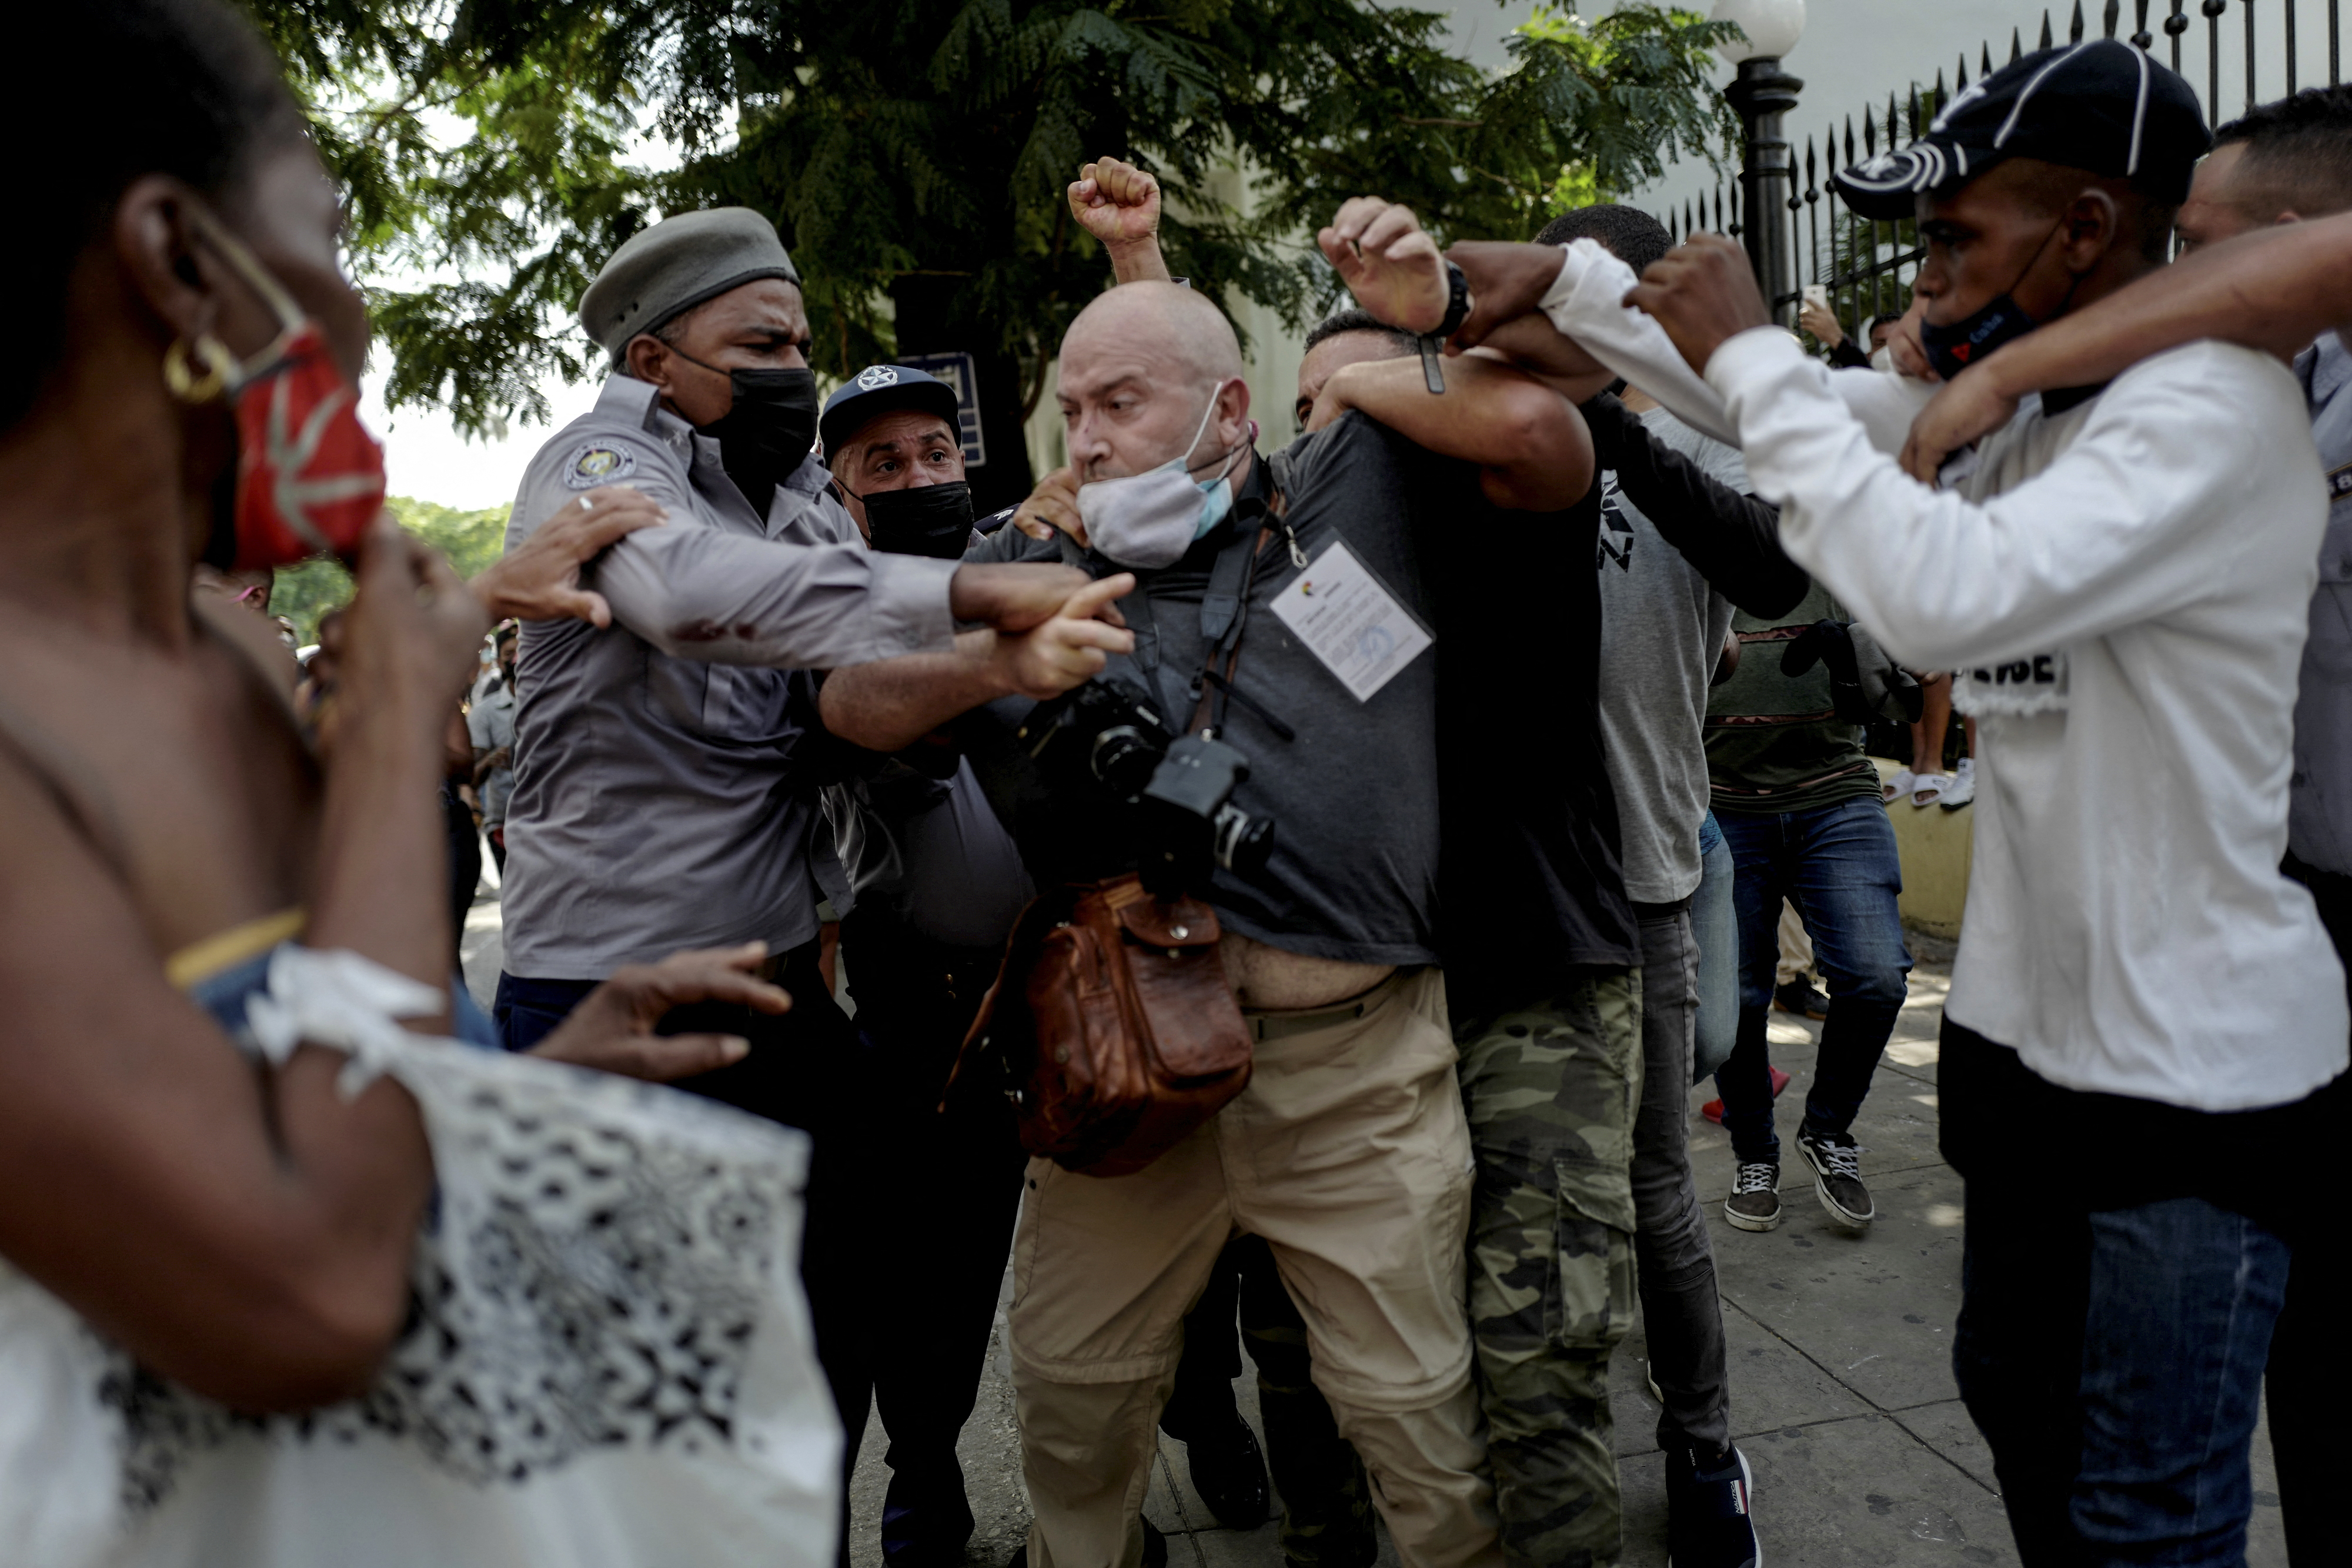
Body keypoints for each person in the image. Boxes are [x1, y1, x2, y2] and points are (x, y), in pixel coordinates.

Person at [0, 3, 863, 1560]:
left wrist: (532, 1083)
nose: (361, 325)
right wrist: (402, 735)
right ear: (180, 262)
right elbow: (311, 1290)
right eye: (325, 237)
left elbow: (314, 1091)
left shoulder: (225, 678)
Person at [1506, 40, 2343, 1565]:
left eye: (1958, 235)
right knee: (2017, 1404)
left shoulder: (2208, 416)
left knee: (2146, 1510)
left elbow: (1942, 596)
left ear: (2089, 231)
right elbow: (1758, 399)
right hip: (2036, 1054)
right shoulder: (2024, 405)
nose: (1926, 271)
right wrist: (1531, 289)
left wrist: (1761, 358)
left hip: (2188, 1088)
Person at [821, 253, 1604, 1566]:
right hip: (1122, 1078)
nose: (1090, 435)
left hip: (1352, 1073)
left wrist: (1365, 365)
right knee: (1070, 1398)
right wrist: (994, 653)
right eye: (1072, 409)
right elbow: (847, 702)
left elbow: (1543, 433)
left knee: (1414, 1418)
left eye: (1121, 400)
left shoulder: (1351, 496)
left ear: (1231, 409)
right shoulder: (1031, 556)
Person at [485, 206, 1104, 1560]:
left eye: (801, 342)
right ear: (653, 361)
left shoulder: (794, 496)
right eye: (758, 344)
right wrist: (963, 601)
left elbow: (842, 695)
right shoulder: (593, 463)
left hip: (774, 991)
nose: (791, 368)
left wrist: (997, 665)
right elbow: (696, 602)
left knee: (826, 1353)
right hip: (614, 1009)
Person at [1900, 81, 2352, 1568]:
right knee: (2054, 1400)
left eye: (2202, 248)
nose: (2177, 280)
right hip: (2213, 949)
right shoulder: (2215, 399)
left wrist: (1995, 374)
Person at [811, 363, 1040, 1568]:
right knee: (933, 1279)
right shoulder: (825, 617)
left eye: (933, 454)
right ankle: (925, 1492)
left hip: (1079, 988)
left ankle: (1170, 1439)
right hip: (926, 1017)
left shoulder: (1027, 574)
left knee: (1122, 1255)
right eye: (881, 465)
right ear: (841, 494)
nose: (916, 478)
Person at [467, 622, 519, 871]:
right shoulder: (485, 713)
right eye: (509, 654)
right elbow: (471, 779)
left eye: (523, 651)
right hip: (504, 824)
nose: (517, 660)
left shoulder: (555, 704)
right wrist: (490, 760)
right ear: (499, 662)